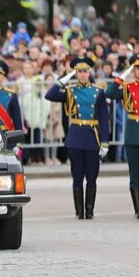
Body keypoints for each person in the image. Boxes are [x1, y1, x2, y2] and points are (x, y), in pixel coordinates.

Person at [45, 56, 110, 219]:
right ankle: (79, 212)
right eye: (79, 72)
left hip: (92, 137)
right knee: (77, 177)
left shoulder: (98, 91)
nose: (82, 74)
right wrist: (64, 79)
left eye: (85, 71)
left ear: (89, 73)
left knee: (92, 177)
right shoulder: (69, 90)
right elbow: (50, 95)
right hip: (75, 137)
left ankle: (90, 210)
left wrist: (105, 141)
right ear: (76, 73)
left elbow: (103, 118)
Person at [105, 53, 139, 219]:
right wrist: (121, 77)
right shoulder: (127, 87)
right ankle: (138, 210)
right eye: (137, 68)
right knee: (134, 174)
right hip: (133, 135)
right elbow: (109, 93)